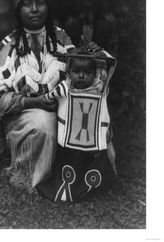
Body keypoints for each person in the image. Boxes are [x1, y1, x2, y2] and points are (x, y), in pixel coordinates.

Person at [0, 0, 101, 193]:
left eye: (40, 3)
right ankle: (32, 177)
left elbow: (79, 72)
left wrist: (91, 55)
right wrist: (34, 103)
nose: (35, 9)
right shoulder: (9, 46)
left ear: (48, 6)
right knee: (45, 124)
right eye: (28, 4)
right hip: (23, 116)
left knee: (87, 115)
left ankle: (78, 174)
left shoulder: (60, 38)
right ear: (19, 10)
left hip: (60, 107)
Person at [35, 45, 117, 202]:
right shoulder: (65, 88)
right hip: (69, 140)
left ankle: (93, 186)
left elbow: (110, 61)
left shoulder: (100, 89)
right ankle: (68, 189)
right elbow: (49, 97)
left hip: (91, 140)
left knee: (92, 165)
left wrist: (99, 54)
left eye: (87, 73)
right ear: (68, 72)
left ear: (95, 74)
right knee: (69, 165)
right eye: (76, 72)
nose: (81, 76)